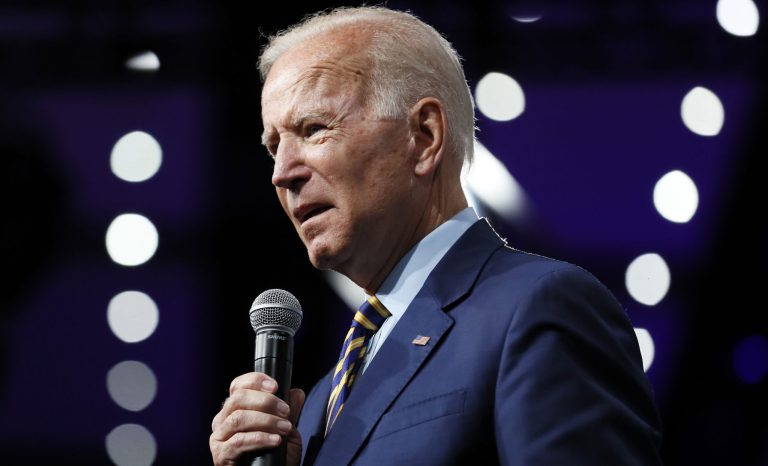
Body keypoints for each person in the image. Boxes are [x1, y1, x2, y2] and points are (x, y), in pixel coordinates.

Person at [210, 6, 662, 466]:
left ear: (424, 136)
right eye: (273, 147)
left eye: (313, 129)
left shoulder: (539, 307)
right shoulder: (319, 405)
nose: (282, 174)